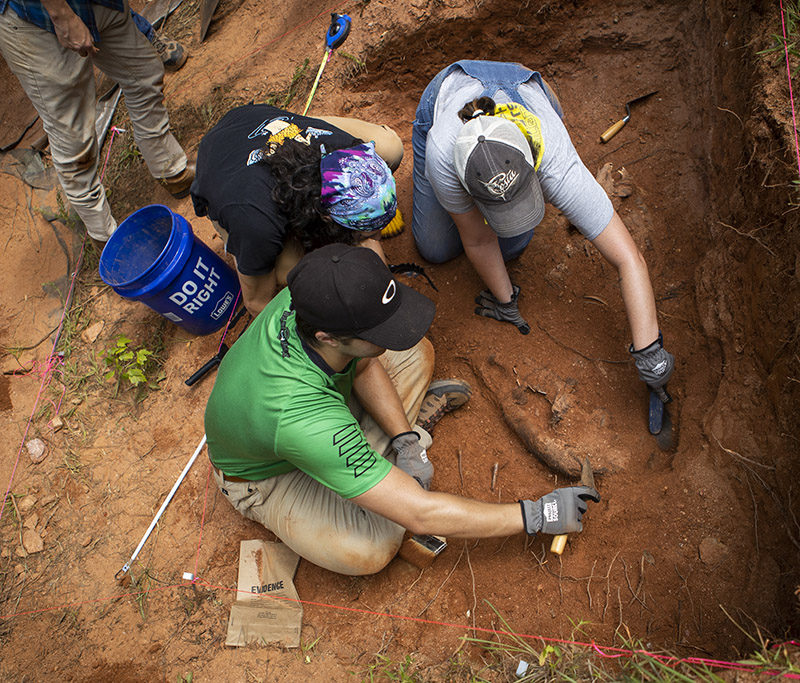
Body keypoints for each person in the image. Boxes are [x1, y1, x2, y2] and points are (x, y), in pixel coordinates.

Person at [204, 243, 600, 576]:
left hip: (313, 418)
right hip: (268, 476)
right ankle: (369, 470)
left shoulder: (319, 289)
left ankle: (387, 453)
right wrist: (536, 514)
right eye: (375, 331)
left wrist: (407, 442)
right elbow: (421, 516)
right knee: (371, 547)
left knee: (412, 353)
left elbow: (364, 361)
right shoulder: (299, 414)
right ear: (328, 337)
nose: (388, 334)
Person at [411, 60, 674, 395]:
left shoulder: (556, 162)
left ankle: (507, 207)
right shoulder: (443, 154)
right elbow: (477, 240)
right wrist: (505, 301)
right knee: (435, 247)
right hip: (446, 92)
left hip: (526, 89)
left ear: (532, 164)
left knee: (512, 246)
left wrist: (649, 351)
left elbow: (629, 258)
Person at [0, 0, 194, 251]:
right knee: (72, 132)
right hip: (32, 15)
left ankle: (171, 170)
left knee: (143, 74)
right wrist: (62, 16)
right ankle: (105, 238)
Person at [190, 103, 404, 317]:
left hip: (262, 121)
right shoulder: (256, 221)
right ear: (325, 217)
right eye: (370, 233)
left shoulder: (347, 152)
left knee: (390, 148)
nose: (378, 239)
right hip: (222, 164)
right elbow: (257, 303)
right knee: (291, 270)